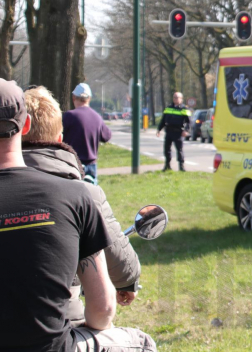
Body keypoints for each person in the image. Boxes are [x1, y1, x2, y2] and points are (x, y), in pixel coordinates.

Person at [0, 79, 156, 352]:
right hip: (54, 346)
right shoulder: (78, 196)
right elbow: (103, 307)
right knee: (140, 343)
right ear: (23, 126)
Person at [22, 86, 141, 324]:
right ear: (59, 139)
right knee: (143, 344)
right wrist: (129, 283)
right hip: (62, 327)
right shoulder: (85, 195)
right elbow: (123, 270)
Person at [62, 83, 112, 185]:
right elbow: (106, 136)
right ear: (89, 98)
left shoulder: (68, 116)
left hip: (72, 163)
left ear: (73, 97)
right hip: (91, 165)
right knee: (92, 197)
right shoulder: (97, 117)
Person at [156, 92, 191, 172]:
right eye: (174, 97)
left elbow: (189, 122)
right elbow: (163, 120)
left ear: (181, 99)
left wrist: (186, 130)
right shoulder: (168, 108)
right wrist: (159, 130)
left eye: (177, 97)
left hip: (178, 132)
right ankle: (167, 165)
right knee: (167, 149)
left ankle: (181, 166)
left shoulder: (184, 109)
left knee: (179, 149)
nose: (175, 99)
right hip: (169, 131)